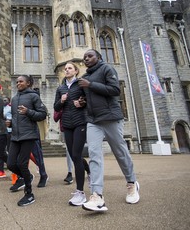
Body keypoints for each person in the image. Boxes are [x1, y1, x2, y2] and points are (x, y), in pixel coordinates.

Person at [78, 49, 140, 212]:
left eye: (90, 56)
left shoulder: (107, 69)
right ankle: (97, 196)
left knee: (120, 152)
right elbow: (90, 98)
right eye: (84, 57)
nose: (86, 58)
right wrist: (83, 101)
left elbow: (115, 90)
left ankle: (132, 183)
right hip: (93, 120)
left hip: (111, 117)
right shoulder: (84, 78)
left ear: (99, 57)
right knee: (94, 154)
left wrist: (91, 85)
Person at [7, 75, 47, 206]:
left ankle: (29, 194)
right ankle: (27, 177)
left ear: (28, 83)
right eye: (17, 81)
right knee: (11, 164)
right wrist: (11, 124)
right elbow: (16, 119)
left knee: (22, 164)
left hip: (29, 135)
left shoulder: (33, 96)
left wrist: (28, 111)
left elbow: (42, 114)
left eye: (21, 81)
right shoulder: (14, 99)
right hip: (15, 136)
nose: (18, 83)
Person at [53, 62, 89, 206]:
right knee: (76, 156)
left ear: (75, 71)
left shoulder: (81, 84)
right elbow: (55, 107)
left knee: (76, 155)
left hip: (80, 123)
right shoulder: (60, 88)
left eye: (69, 68)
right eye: (65, 68)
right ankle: (89, 170)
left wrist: (82, 102)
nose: (66, 70)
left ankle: (80, 192)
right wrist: (61, 101)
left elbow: (88, 101)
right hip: (67, 125)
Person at [0, 96, 12, 180]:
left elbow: (12, 119)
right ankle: (1, 171)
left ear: (8, 101)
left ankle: (14, 171)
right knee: (1, 151)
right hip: (0, 132)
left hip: (9, 131)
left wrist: (5, 117)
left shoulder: (10, 108)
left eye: (5, 100)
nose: (4, 101)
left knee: (10, 151)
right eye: (3, 100)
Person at [53, 108, 74, 184]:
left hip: (78, 126)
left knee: (77, 151)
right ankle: (70, 172)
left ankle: (87, 169)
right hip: (66, 128)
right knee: (69, 150)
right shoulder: (60, 101)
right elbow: (55, 118)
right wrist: (61, 106)